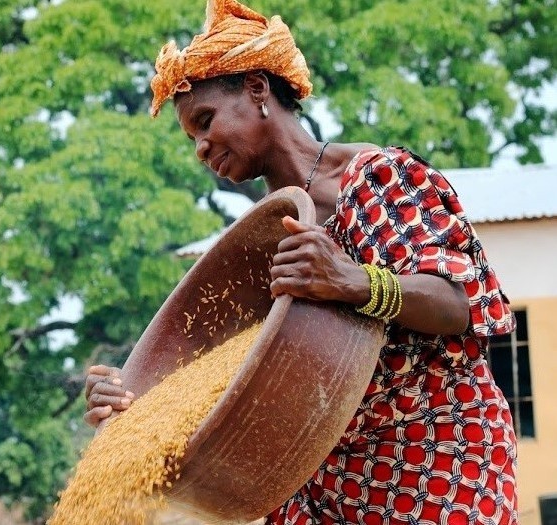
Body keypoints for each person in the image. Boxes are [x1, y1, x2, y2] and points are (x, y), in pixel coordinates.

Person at [84, 0, 518, 523]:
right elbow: (220, 385)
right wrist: (132, 405)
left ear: (257, 89)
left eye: (205, 120)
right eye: (191, 138)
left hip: (435, 462)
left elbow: (456, 302)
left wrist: (352, 282)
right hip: (313, 491)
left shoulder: (378, 179)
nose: (200, 147)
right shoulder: (256, 250)